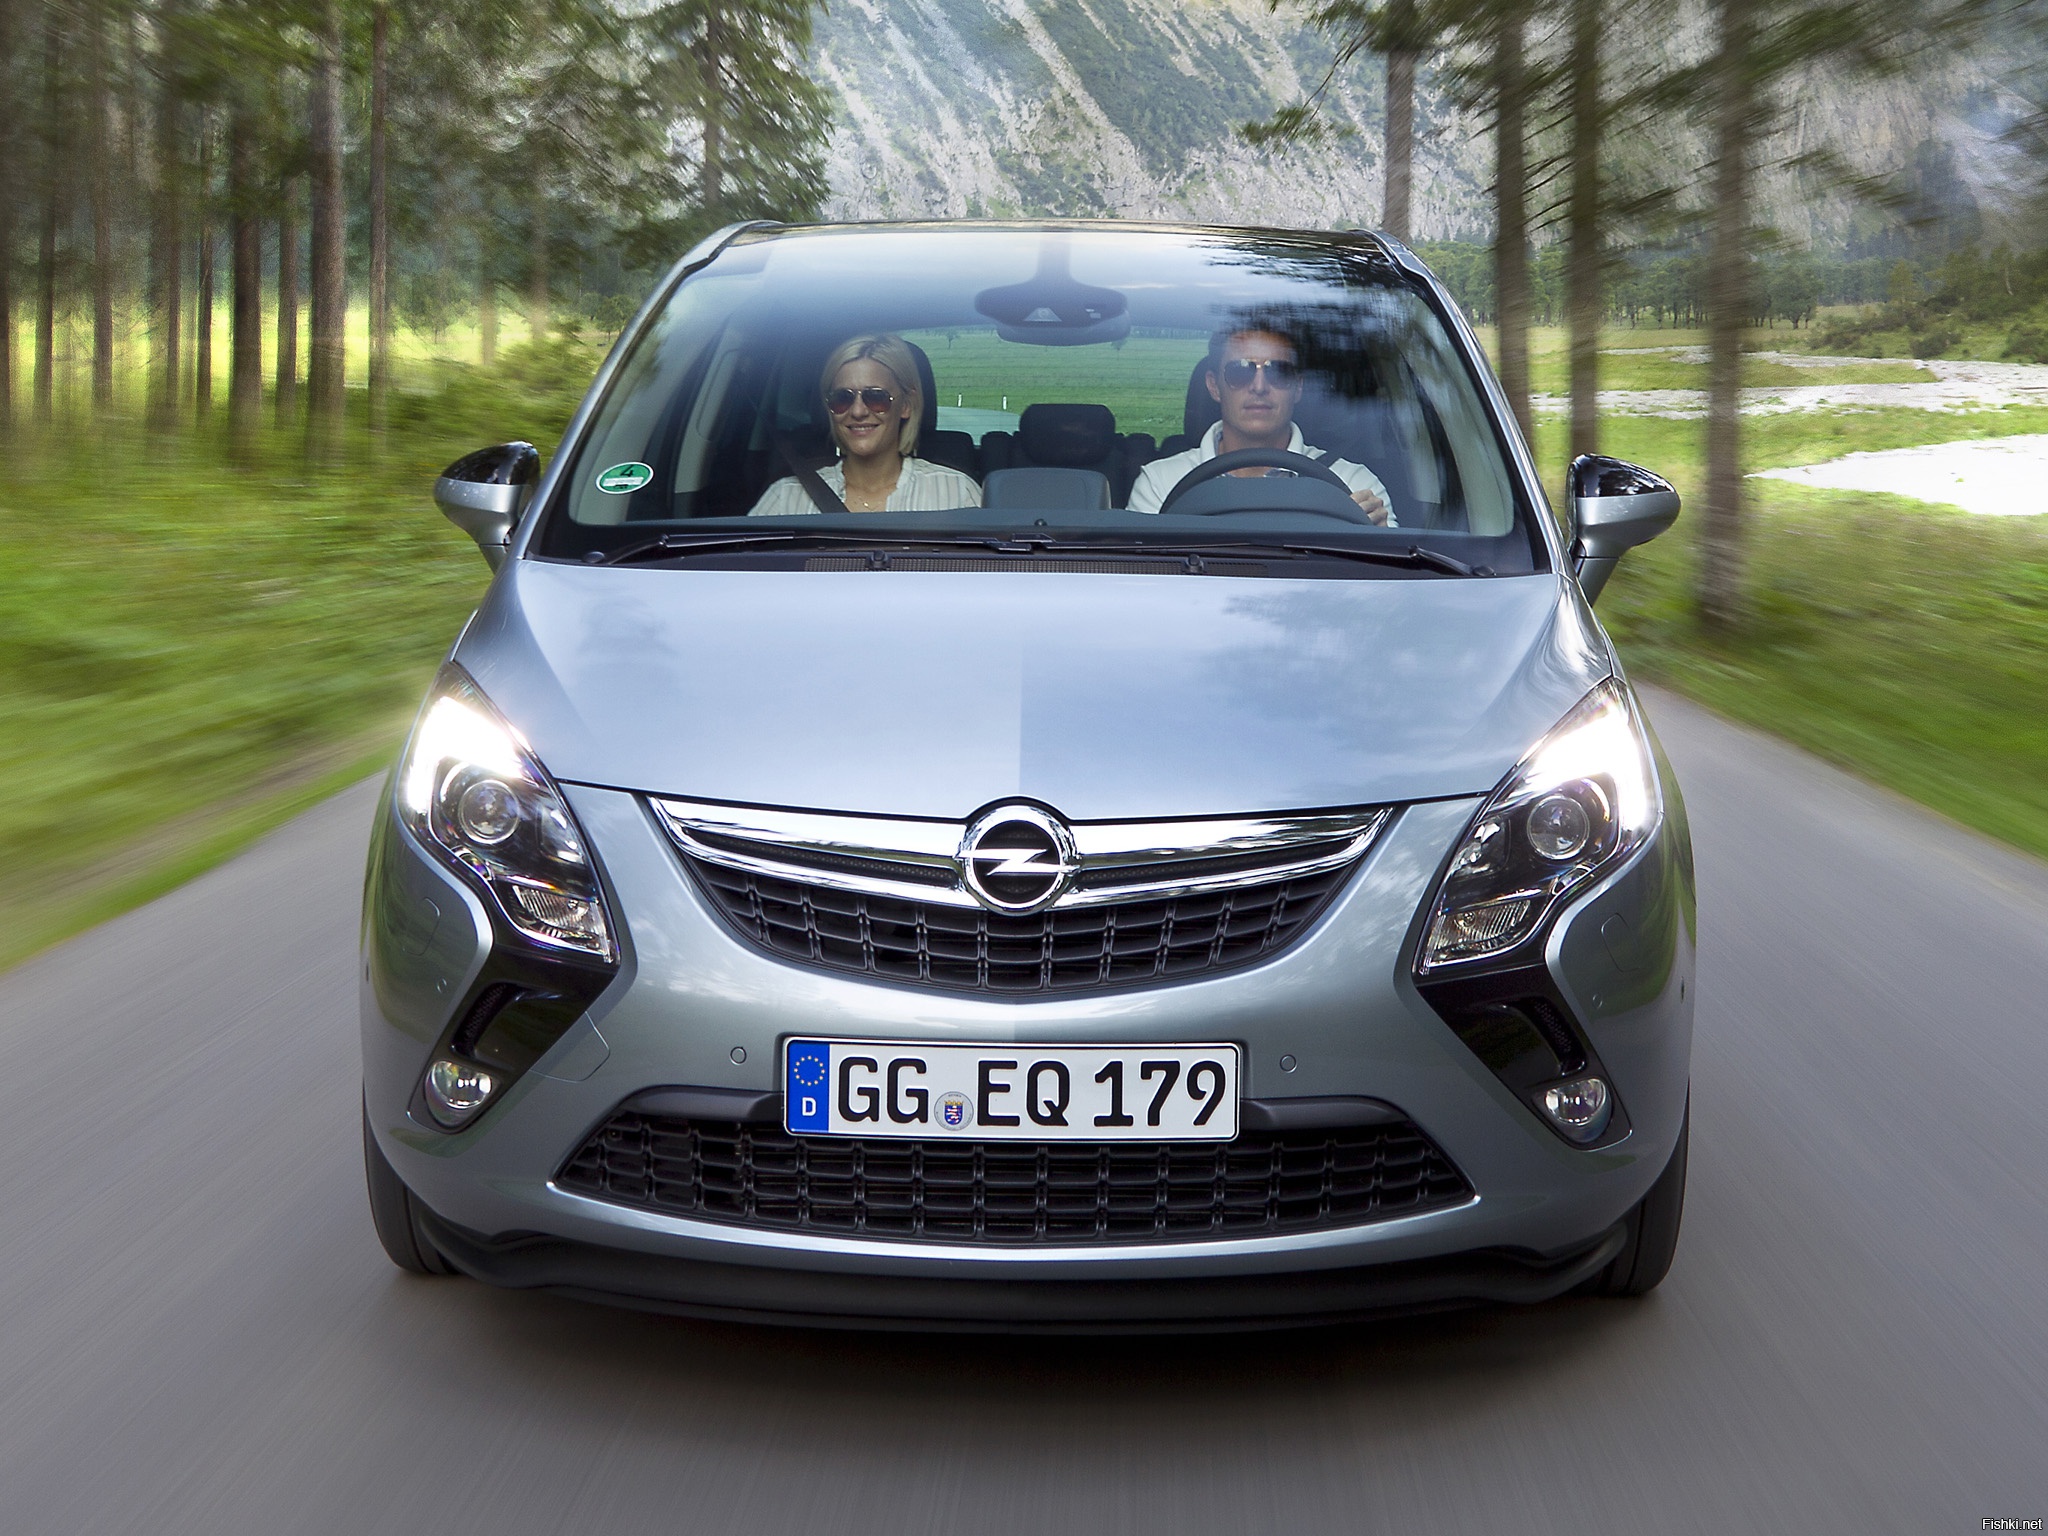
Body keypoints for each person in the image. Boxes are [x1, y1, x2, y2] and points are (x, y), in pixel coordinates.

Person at [1127, 329, 1393, 523]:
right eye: (1240, 371)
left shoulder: (1355, 484)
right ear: (1214, 386)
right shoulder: (1161, 483)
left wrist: (1377, 538)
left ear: (1298, 387)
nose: (1259, 386)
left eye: (1279, 372)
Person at [750, 334, 983, 516]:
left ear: (906, 405)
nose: (858, 411)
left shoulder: (957, 493)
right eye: (842, 398)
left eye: (876, 397)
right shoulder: (786, 498)